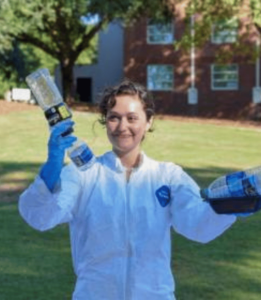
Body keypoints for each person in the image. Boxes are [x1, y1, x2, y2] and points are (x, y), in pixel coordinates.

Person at [19, 80, 237, 300]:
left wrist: (230, 206)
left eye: (132, 118)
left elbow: (197, 225)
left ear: (149, 121)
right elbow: (40, 217)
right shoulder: (83, 174)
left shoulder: (167, 176)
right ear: (105, 122)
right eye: (114, 117)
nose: (122, 126)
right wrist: (52, 167)